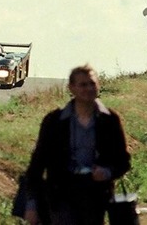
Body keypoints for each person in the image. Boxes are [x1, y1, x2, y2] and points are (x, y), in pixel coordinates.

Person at [23, 64, 131, 225]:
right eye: (83, 85)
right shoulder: (54, 121)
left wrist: (107, 173)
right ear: (71, 88)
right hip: (61, 194)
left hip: (96, 196)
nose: (88, 89)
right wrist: (31, 205)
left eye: (92, 84)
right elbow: (37, 164)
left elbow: (123, 161)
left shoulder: (109, 121)